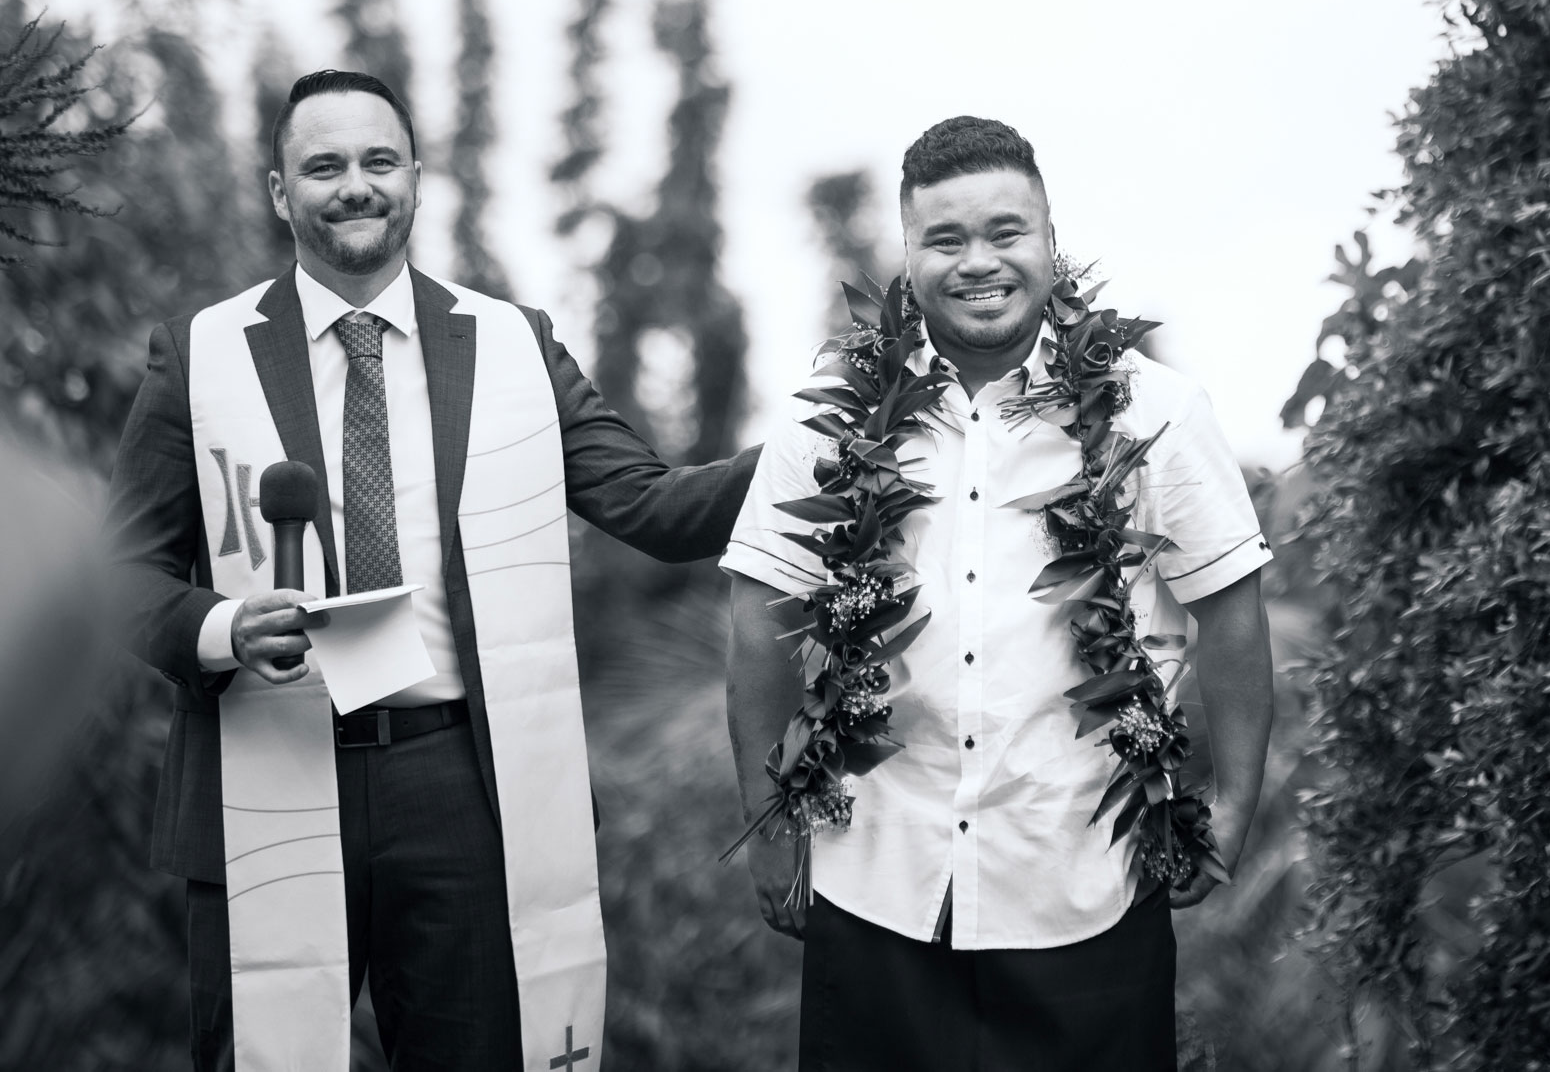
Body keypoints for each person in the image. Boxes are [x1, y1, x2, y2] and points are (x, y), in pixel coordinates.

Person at [104, 69, 757, 1071]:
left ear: (416, 175)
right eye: (322, 166)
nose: (354, 185)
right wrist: (222, 629)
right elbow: (125, 579)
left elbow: (654, 507)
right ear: (281, 191)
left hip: (462, 783)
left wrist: (815, 447)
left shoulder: (512, 345)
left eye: (377, 160)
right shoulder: (200, 354)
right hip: (267, 765)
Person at [722, 116, 1273, 1069]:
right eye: (946, 238)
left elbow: (1231, 609)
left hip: (1089, 886)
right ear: (909, 255)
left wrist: (1229, 807)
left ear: (1051, 240)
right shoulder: (831, 411)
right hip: (878, 883)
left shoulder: (1154, 410)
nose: (980, 261)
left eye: (1006, 232)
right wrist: (768, 826)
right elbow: (757, 618)